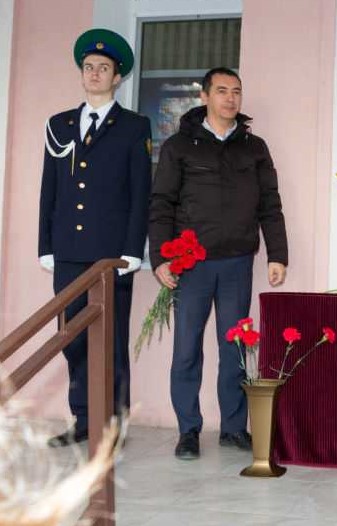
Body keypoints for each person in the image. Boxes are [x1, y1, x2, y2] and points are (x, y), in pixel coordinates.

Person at [148, 67, 288, 460]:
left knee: (235, 349)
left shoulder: (254, 147)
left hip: (237, 263)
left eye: (236, 91)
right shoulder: (179, 146)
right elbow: (161, 203)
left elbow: (270, 204)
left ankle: (233, 428)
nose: (230, 98)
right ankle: (188, 430)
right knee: (187, 348)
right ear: (205, 96)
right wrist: (160, 257)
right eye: (222, 90)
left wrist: (277, 255)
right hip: (192, 265)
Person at [38, 29, 152, 446]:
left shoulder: (134, 126)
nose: (95, 73)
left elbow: (140, 193)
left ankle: (114, 423)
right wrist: (46, 245)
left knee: (111, 340)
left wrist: (132, 250)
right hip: (68, 251)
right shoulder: (60, 125)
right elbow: (49, 189)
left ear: (117, 77)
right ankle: (84, 419)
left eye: (103, 68)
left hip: (110, 255)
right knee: (72, 338)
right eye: (89, 67)